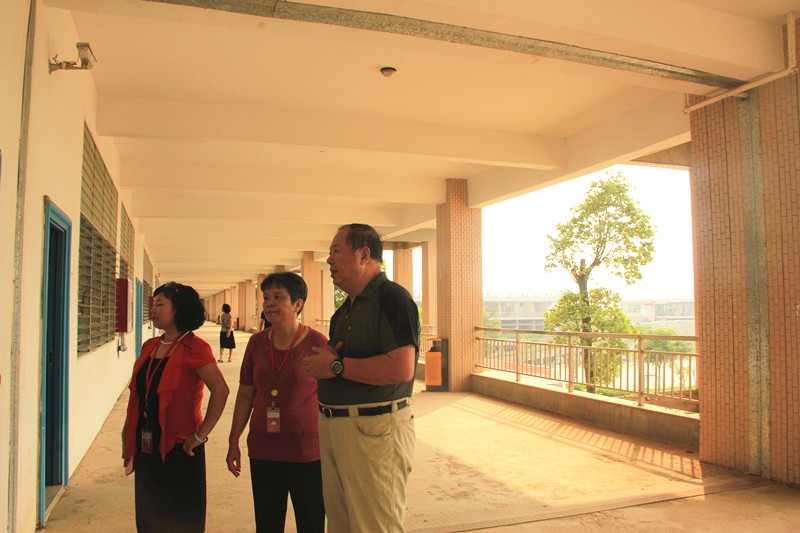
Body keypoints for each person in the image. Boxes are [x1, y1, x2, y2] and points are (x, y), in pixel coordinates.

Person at [303, 223, 420, 533]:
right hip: (336, 427)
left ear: (364, 255)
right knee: (341, 525)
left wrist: (336, 367)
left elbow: (401, 369)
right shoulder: (345, 309)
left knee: (374, 525)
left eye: (336, 251)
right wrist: (327, 361)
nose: (329, 259)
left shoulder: (392, 298)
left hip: (373, 430)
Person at [122, 282, 229, 533]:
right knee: (149, 518)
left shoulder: (195, 348)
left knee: (181, 520)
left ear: (179, 310)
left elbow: (221, 391)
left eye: (160, 304)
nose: (153, 309)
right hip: (146, 445)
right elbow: (137, 394)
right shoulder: (150, 346)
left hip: (181, 447)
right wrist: (127, 432)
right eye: (153, 304)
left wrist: (200, 435)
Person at [227, 272, 327, 533]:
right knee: (267, 524)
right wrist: (233, 439)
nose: (269, 303)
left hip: (307, 452)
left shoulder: (317, 343)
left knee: (311, 523)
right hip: (264, 448)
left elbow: (331, 398)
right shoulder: (256, 342)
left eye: (278, 297)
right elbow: (245, 393)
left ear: (297, 304)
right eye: (266, 297)